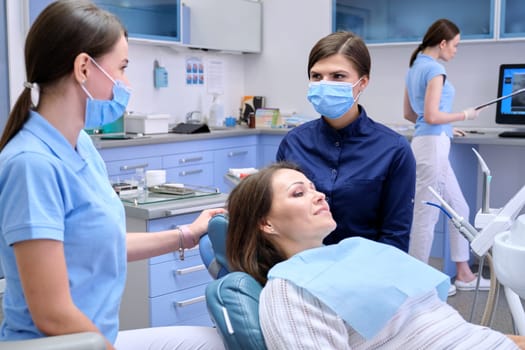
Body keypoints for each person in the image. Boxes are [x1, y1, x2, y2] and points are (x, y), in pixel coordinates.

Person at [0, 1, 225, 349]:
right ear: (84, 68)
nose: (125, 83)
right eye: (120, 68)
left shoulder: (82, 146)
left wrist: (186, 235)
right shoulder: (31, 164)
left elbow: (98, 243)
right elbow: (51, 314)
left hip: (94, 338)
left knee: (210, 341)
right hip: (57, 343)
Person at [226, 162, 525, 349]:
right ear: (266, 223)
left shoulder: (358, 250)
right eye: (298, 193)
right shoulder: (289, 289)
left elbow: (439, 325)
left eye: (314, 188)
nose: (319, 195)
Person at [276, 31, 415, 253]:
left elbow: (395, 235)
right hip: (304, 268)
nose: (324, 84)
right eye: (316, 76)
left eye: (338, 76)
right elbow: (280, 218)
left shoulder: (394, 150)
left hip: (366, 271)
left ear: (363, 83)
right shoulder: (293, 143)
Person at [403, 18, 489, 296]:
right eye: (455, 45)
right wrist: (465, 114)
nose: (455, 51)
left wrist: (448, 125)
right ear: (442, 43)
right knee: (426, 216)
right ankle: (418, 284)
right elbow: (430, 116)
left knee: (459, 209)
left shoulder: (415, 67)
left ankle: (463, 273)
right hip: (432, 147)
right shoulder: (435, 70)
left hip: (430, 142)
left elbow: (411, 114)